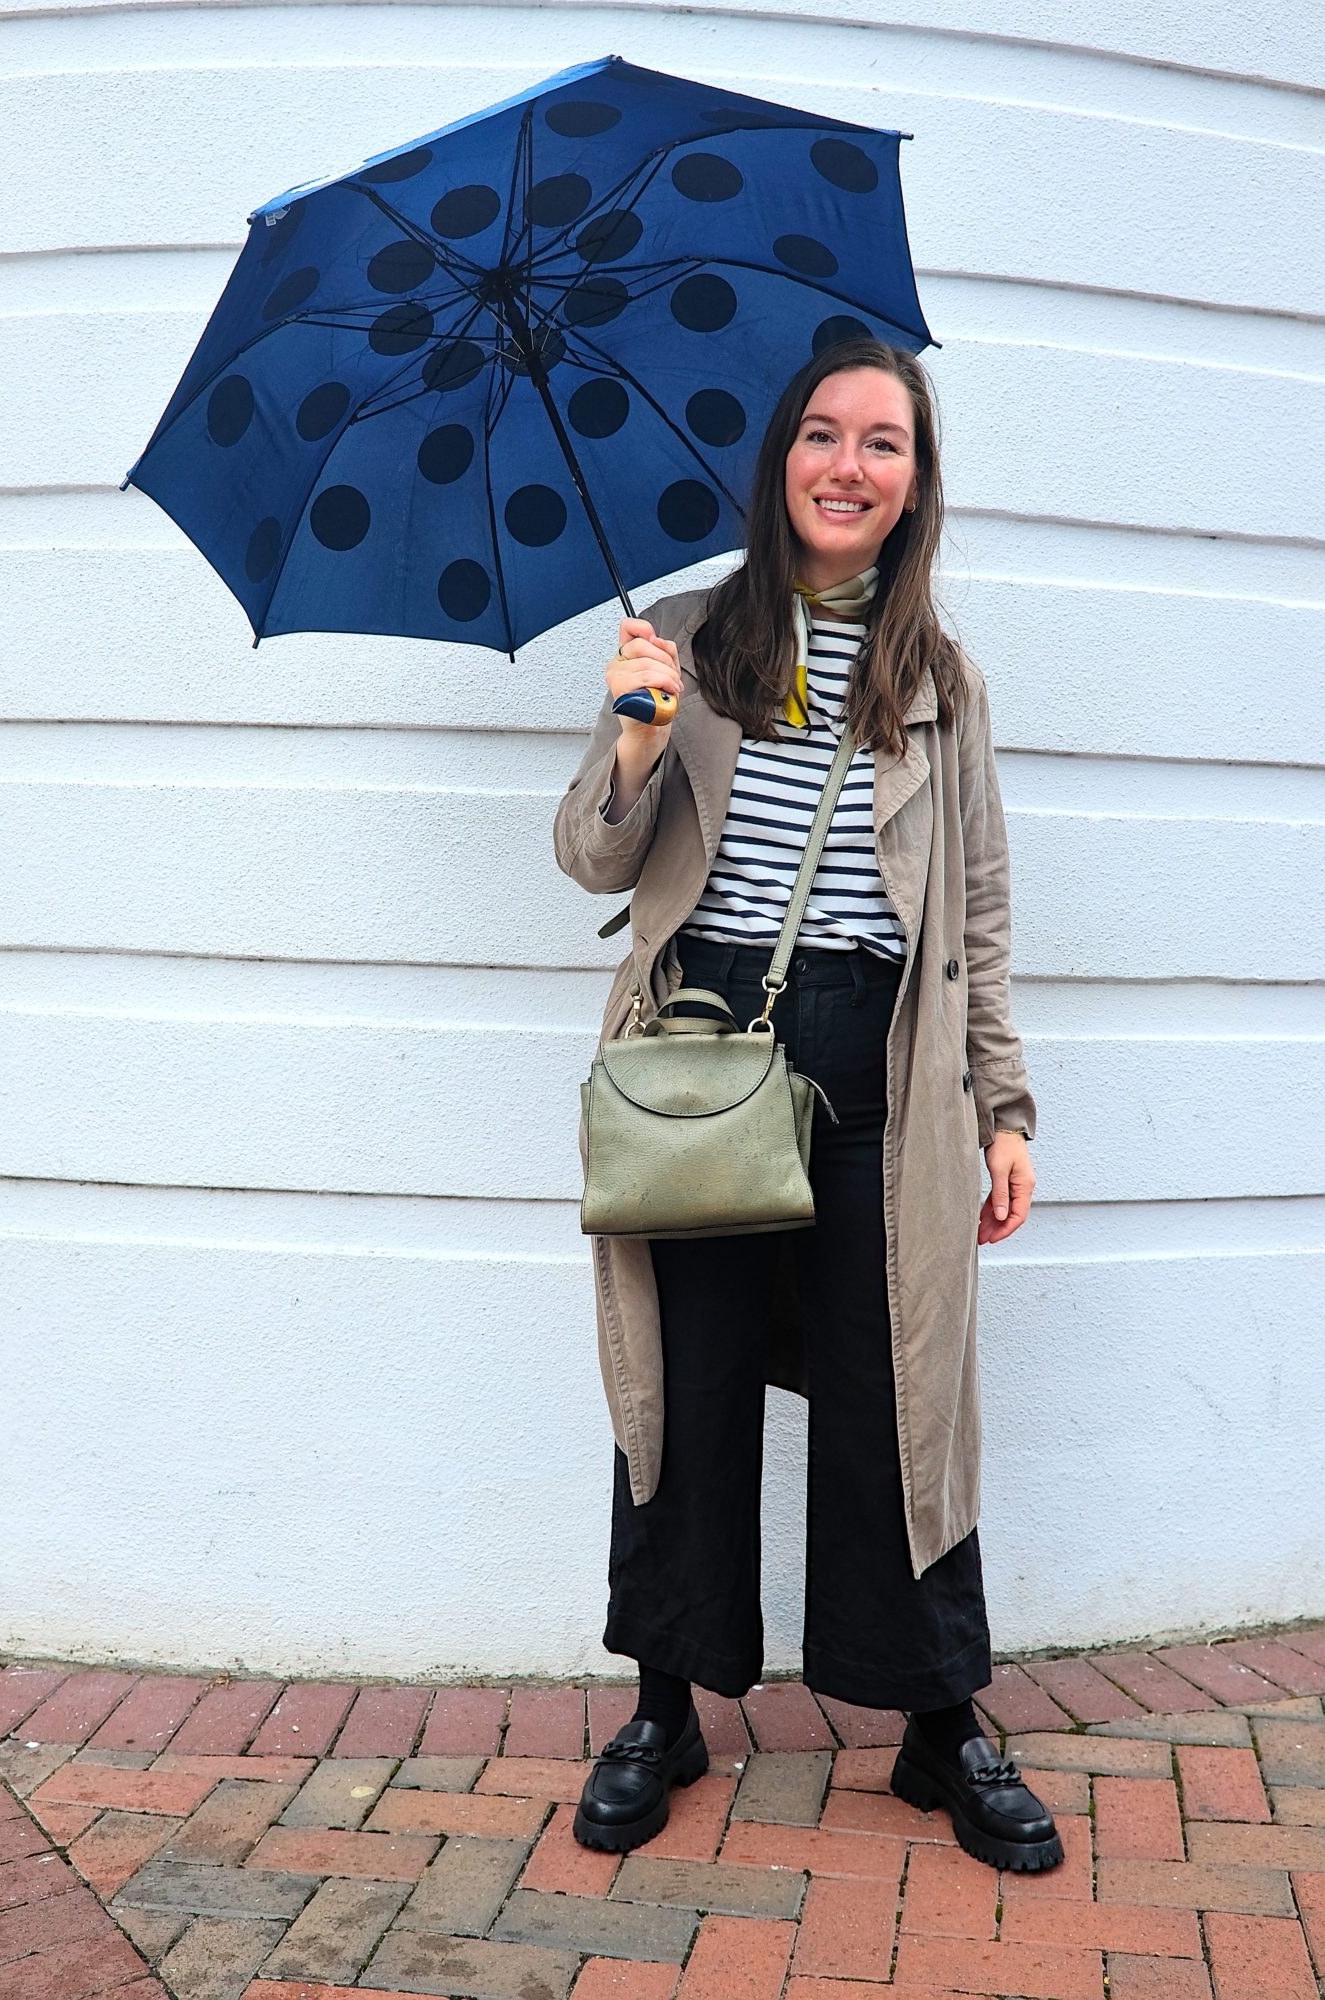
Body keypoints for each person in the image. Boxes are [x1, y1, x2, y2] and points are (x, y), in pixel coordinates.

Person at [552, 336, 1061, 1874]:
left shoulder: (939, 677)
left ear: (915, 483)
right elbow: (590, 858)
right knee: (682, 1384)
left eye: (883, 443)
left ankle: (932, 1722)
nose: (850, 465)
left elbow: (974, 903)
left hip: (888, 1074)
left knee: (901, 1394)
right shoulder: (691, 638)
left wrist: (1006, 1104)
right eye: (822, 435)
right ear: (778, 461)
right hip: (703, 1058)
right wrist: (638, 731)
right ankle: (663, 1706)